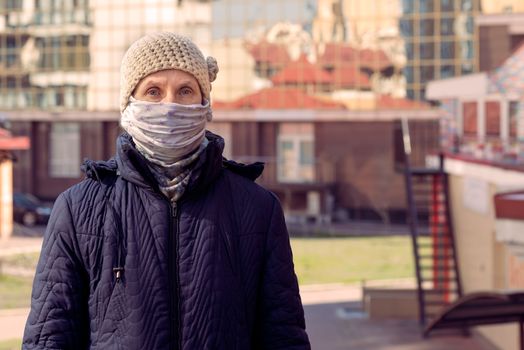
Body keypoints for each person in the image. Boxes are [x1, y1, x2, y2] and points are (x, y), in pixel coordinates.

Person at [22, 32, 311, 349]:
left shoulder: (257, 209)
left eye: (185, 90)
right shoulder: (79, 210)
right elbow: (49, 336)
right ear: (129, 104)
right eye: (153, 91)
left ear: (204, 104)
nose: (170, 105)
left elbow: (284, 335)